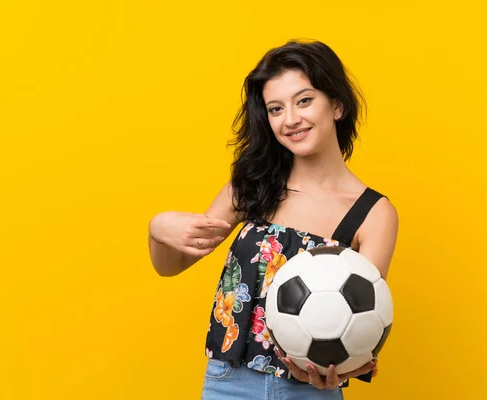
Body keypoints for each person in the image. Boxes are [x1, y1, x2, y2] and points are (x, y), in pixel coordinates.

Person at [148, 40, 399, 400]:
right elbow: (171, 266)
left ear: (337, 105)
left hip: (311, 393)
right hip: (227, 383)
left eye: (304, 101)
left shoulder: (374, 213)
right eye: (275, 108)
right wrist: (158, 230)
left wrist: (338, 371)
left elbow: (364, 324)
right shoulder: (252, 186)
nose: (290, 119)